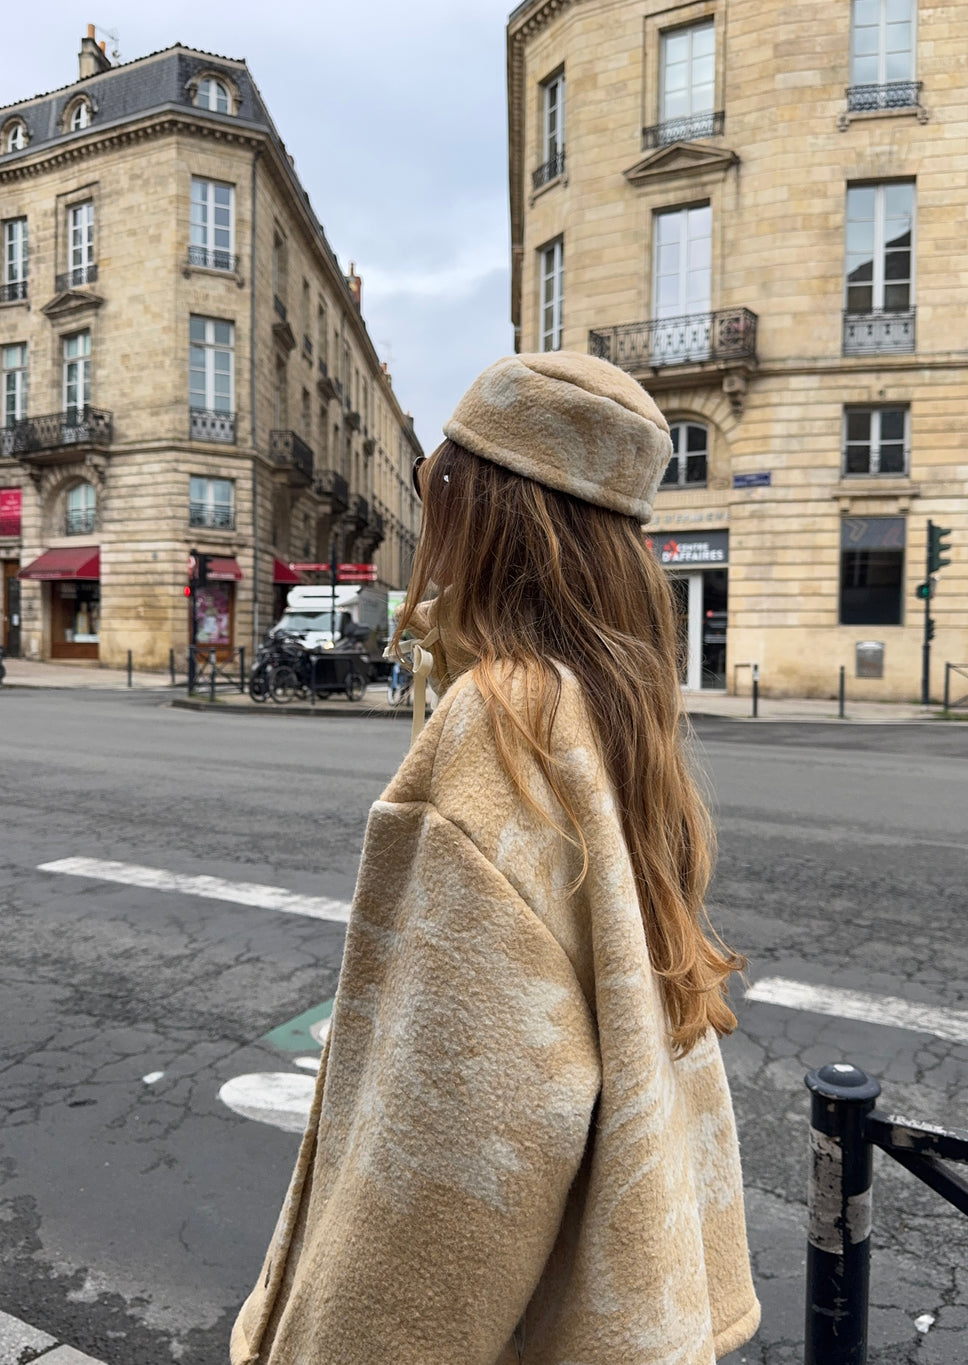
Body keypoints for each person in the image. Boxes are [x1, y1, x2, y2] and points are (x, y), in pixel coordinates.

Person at [231, 351, 760, 1365]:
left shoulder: (500, 726)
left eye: (441, 476)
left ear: (478, 503)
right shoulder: (614, 704)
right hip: (612, 1294)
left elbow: (453, 1142)